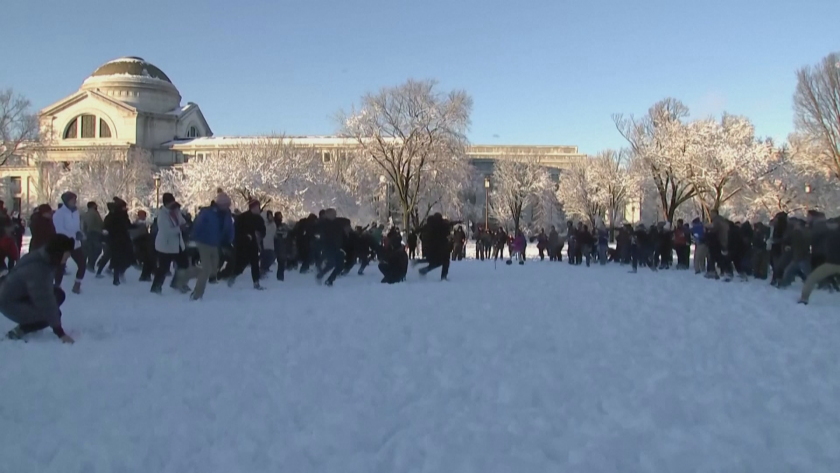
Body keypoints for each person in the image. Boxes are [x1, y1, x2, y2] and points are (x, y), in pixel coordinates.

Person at [0, 234, 76, 344]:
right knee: (53, 314)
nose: (66, 260)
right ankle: (20, 330)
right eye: (66, 256)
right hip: (10, 304)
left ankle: (30, 321)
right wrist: (60, 333)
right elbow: (45, 301)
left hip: (18, 295)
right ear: (58, 253)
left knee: (58, 295)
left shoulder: (43, 257)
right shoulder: (38, 269)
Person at [190, 193, 234, 300]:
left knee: (214, 267)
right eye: (226, 204)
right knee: (206, 269)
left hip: (215, 243)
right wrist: (195, 238)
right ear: (220, 204)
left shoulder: (227, 214)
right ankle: (197, 294)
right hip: (204, 243)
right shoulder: (207, 212)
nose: (227, 207)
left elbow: (229, 228)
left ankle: (211, 276)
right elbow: (198, 226)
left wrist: (230, 240)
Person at [151, 194, 190, 294]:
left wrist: (184, 224)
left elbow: (182, 221)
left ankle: (178, 282)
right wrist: (179, 228)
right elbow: (166, 231)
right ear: (166, 204)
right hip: (166, 245)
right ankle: (156, 287)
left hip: (177, 244)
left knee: (184, 264)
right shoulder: (162, 215)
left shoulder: (176, 211)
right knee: (164, 268)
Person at [52, 192, 86, 294]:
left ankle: (77, 285)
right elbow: (59, 230)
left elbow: (77, 226)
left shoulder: (76, 212)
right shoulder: (59, 214)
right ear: (66, 200)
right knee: (61, 266)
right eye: (72, 199)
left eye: (75, 199)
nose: (75, 201)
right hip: (64, 244)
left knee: (82, 264)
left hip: (75, 244)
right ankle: (57, 286)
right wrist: (73, 235)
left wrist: (79, 232)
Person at [228, 199, 266, 290]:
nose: (259, 208)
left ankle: (256, 283)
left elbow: (263, 231)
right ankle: (233, 277)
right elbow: (237, 231)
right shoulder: (242, 217)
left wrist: (259, 235)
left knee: (255, 263)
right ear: (253, 207)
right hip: (243, 245)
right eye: (257, 206)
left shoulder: (259, 219)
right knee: (241, 264)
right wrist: (245, 236)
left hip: (254, 245)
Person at [81, 201, 103, 271]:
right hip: (94, 233)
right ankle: (90, 264)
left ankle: (87, 264)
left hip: (90, 233)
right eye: (95, 205)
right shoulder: (93, 213)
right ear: (93, 206)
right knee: (97, 249)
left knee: (90, 249)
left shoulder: (86, 213)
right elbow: (93, 223)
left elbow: (83, 224)